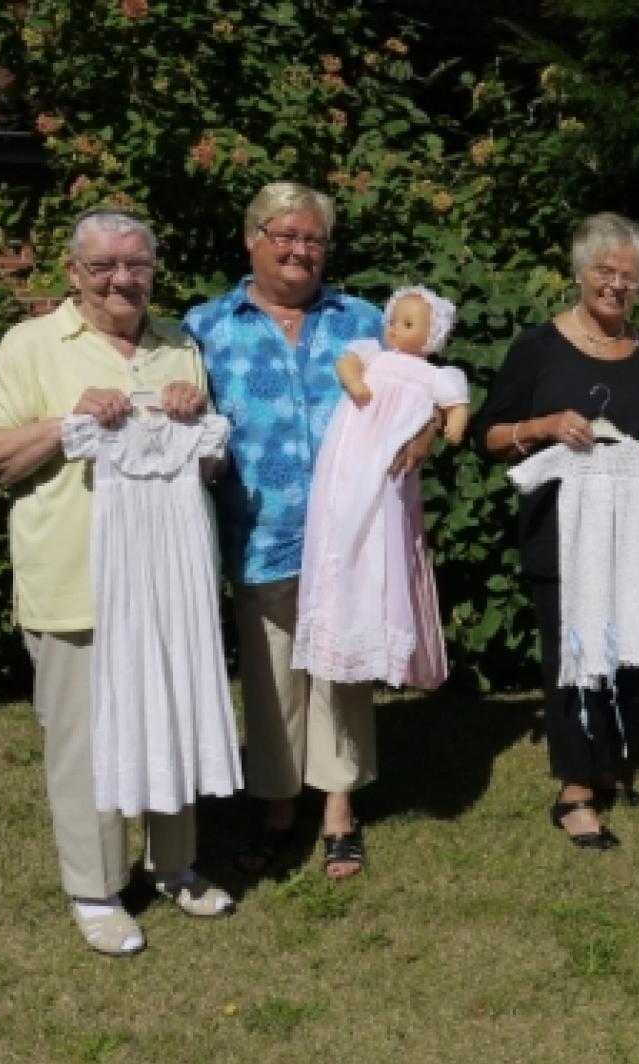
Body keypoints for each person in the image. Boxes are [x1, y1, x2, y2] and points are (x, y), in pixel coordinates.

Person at [0, 208, 234, 955]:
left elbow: (212, 464)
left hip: (168, 582)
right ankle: (96, 888)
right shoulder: (33, 344)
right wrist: (63, 424)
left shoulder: (178, 343)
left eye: (136, 264)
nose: (122, 279)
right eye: (104, 265)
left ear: (153, 270)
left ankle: (174, 864)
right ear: (73, 273)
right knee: (86, 741)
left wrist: (196, 420)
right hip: (72, 580)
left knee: (173, 715)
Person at [186, 181, 434, 880]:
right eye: (285, 235)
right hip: (259, 530)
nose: (299, 250)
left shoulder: (360, 319)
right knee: (270, 675)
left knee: (342, 666)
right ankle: (277, 803)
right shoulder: (207, 326)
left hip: (351, 534)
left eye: (313, 239)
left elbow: (420, 389)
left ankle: (338, 806)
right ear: (252, 239)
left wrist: (423, 436)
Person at [471, 212, 639, 850]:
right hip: (561, 530)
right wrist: (542, 427)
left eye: (630, 276)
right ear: (580, 272)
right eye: (604, 271)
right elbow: (487, 436)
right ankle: (575, 788)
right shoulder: (538, 348)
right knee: (571, 646)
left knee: (628, 639)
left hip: (638, 527)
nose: (616, 285)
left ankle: (610, 758)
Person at [292, 284, 469, 691]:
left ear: (432, 336)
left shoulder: (435, 375)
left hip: (388, 459)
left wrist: (454, 425)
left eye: (407, 323)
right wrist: (355, 381)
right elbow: (347, 363)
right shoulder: (373, 353)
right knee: (343, 512)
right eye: (393, 320)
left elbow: (454, 404)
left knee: (378, 526)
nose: (393, 328)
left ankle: (371, 624)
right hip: (351, 452)